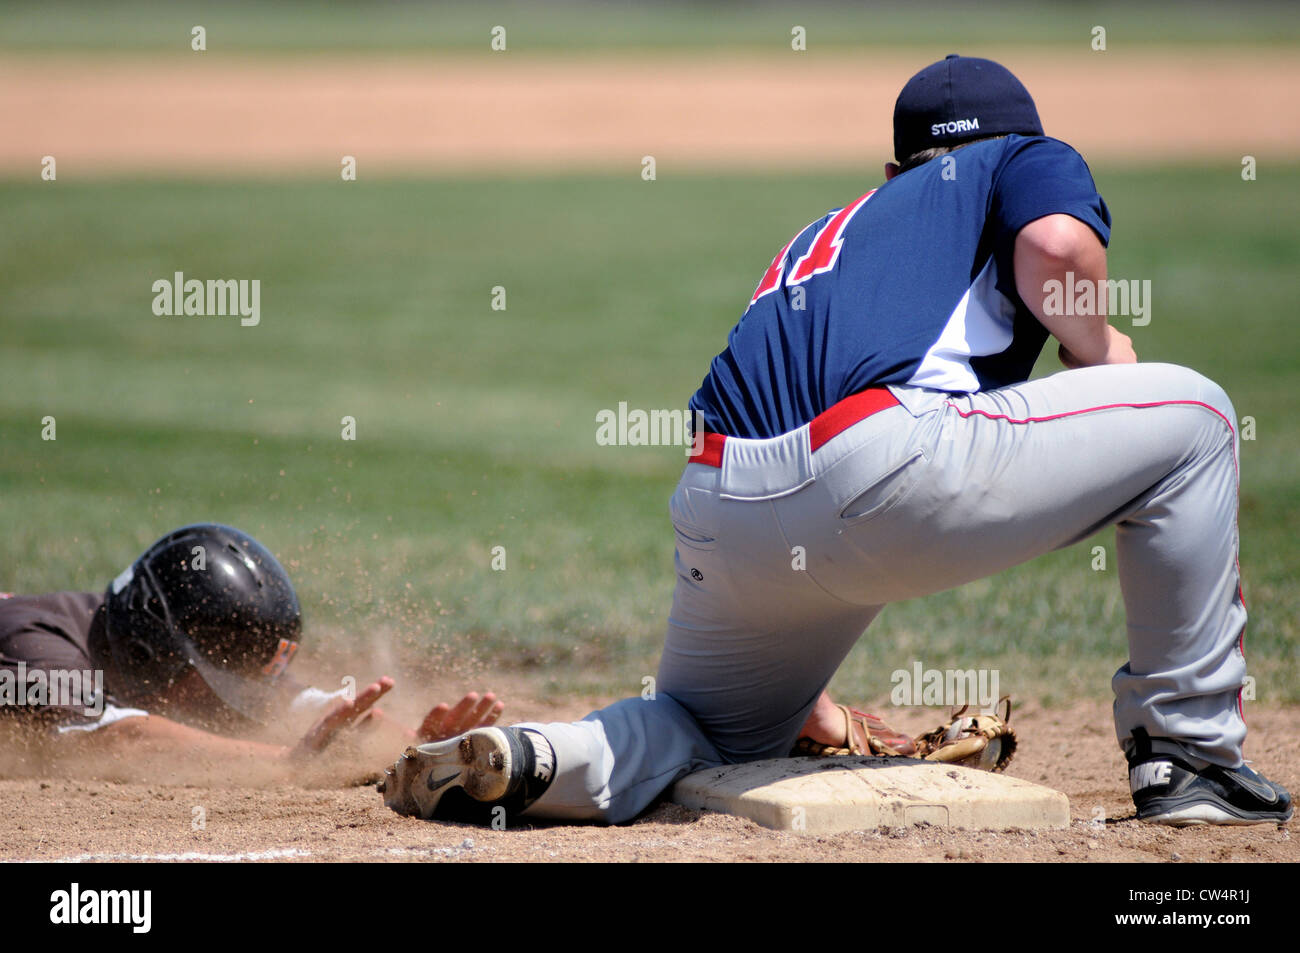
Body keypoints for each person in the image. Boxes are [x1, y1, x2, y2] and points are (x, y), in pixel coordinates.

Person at [382, 55, 1291, 828]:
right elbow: (1056, 248)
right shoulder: (1019, 157)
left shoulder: (839, 230)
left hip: (720, 505)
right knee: (1201, 419)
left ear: (898, 168)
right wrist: (1102, 355)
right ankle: (1193, 757)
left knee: (716, 732)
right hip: (883, 472)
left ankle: (538, 755)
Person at [0, 523, 503, 764]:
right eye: (212, 681)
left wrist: (421, 751)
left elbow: (317, 711)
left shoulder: (150, 639)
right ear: (148, 648)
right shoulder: (32, 645)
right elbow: (121, 736)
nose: (222, 702)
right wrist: (286, 764)